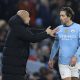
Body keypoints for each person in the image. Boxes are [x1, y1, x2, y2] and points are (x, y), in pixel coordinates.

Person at [2, 10, 58, 80]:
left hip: (14, 68)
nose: (29, 18)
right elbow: (33, 38)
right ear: (23, 17)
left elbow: (31, 31)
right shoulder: (18, 28)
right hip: (13, 70)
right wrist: (46, 33)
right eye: (28, 16)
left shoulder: (18, 26)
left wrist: (47, 32)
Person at [48, 7, 80, 80]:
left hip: (76, 61)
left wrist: (75, 56)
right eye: (60, 15)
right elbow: (56, 45)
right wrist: (51, 58)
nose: (60, 18)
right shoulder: (58, 28)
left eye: (63, 16)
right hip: (63, 62)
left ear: (69, 16)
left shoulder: (78, 28)